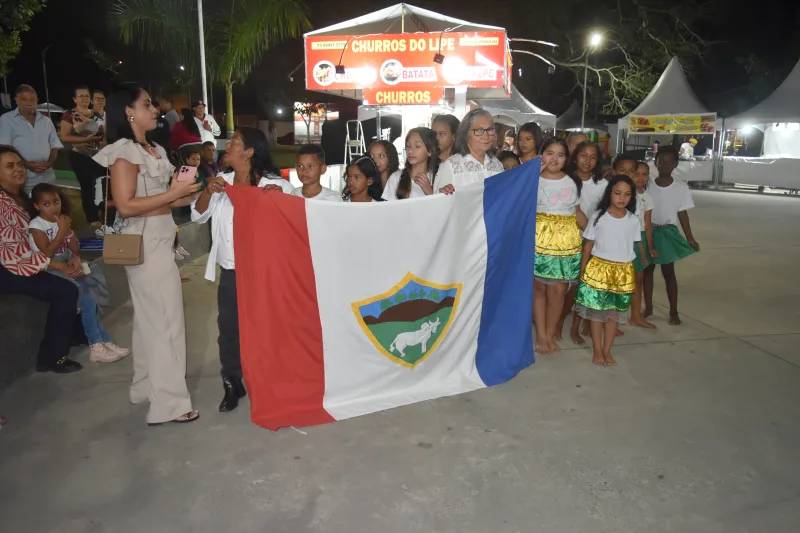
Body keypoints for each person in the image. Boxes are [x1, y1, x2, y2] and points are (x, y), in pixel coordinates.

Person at [94, 83, 201, 426]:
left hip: (160, 240)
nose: (154, 109)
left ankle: (144, 388)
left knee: (149, 323)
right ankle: (169, 404)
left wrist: (188, 191)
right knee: (165, 324)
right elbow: (126, 206)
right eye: (146, 104)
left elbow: (171, 199)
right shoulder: (125, 151)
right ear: (128, 111)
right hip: (144, 245)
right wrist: (173, 193)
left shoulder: (153, 148)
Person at [192, 126, 292, 412]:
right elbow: (198, 217)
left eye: (234, 141)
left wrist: (279, 202)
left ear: (248, 151)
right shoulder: (221, 183)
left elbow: (293, 222)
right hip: (231, 270)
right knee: (229, 329)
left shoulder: (276, 185)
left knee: (268, 326)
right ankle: (232, 382)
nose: (228, 145)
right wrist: (208, 193)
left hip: (263, 272)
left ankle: (271, 380)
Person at [0, 146, 81, 373]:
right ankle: (52, 357)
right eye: (9, 166)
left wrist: (73, 255)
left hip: (29, 259)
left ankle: (77, 333)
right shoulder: (2, 205)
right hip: (8, 268)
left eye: (19, 164)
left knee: (81, 280)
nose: (18, 169)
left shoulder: (22, 197)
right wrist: (58, 265)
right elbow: (15, 253)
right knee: (65, 291)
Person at [28, 183, 129, 363]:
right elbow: (46, 254)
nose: (53, 207)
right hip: (50, 267)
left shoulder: (62, 220)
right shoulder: (37, 225)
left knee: (93, 286)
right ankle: (96, 344)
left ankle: (104, 339)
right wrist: (61, 232)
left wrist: (72, 247)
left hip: (67, 261)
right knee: (86, 301)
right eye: (46, 204)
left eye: (56, 201)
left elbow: (75, 247)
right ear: (36, 206)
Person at [575, 175, 643, 366]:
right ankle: (597, 350)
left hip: (622, 273)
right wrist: (583, 271)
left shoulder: (632, 220)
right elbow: (588, 245)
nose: (622, 198)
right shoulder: (598, 217)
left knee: (613, 315)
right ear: (610, 194)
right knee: (597, 314)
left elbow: (632, 247)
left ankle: (607, 350)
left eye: (627, 194)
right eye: (618, 193)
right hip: (599, 270)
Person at [533, 138, 586, 355]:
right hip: (537, 240)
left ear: (567, 158)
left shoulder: (571, 181)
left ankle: (551, 330)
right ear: (541, 155)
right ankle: (541, 336)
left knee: (558, 290)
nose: (554, 159)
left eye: (560, 155)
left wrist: (595, 232)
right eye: (549, 153)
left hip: (565, 244)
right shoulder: (532, 179)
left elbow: (577, 212)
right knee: (538, 288)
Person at [644, 146, 699, 325]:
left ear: (675, 164)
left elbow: (682, 214)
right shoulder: (648, 186)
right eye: (662, 161)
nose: (665, 164)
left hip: (668, 233)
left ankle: (673, 310)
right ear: (655, 163)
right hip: (649, 231)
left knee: (669, 272)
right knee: (647, 271)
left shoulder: (681, 187)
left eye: (669, 161)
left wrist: (689, 237)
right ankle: (649, 307)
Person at [556, 140, 602, 345]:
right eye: (584, 155)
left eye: (593, 157)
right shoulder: (565, 180)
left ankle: (573, 324)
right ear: (575, 156)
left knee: (579, 285)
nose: (588, 161)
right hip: (564, 238)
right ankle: (557, 320)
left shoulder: (602, 185)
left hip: (589, 240)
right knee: (561, 284)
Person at [0, 85, 63, 195]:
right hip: (22, 177)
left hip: (47, 176)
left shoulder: (46, 121)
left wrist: (49, 163)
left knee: (46, 206)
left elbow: (54, 145)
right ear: (16, 100)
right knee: (25, 208)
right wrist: (26, 164)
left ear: (37, 101)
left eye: (33, 99)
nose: (29, 102)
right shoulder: (7, 119)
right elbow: (7, 148)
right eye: (24, 99)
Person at [60, 85, 105, 226]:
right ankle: (92, 218)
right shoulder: (69, 115)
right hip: (80, 157)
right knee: (87, 187)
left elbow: (104, 132)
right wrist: (84, 140)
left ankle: (104, 212)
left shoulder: (96, 114)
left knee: (102, 184)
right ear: (75, 99)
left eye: (87, 96)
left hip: (99, 156)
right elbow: (65, 137)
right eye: (81, 96)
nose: (85, 98)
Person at [436, 109, 504, 194]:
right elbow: (437, 202)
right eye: (479, 130)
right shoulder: (451, 166)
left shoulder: (497, 165)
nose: (486, 136)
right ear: (466, 133)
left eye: (490, 129)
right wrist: (442, 193)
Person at [630, 161, 657, 329]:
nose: (640, 178)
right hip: (625, 238)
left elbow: (648, 223)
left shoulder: (647, 196)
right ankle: (612, 318)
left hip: (639, 239)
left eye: (644, 174)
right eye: (637, 174)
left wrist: (650, 246)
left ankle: (635, 316)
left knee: (638, 279)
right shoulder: (624, 193)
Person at [382, 127, 439, 200]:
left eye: (417, 146)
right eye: (408, 146)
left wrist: (430, 192)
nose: (410, 151)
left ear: (430, 151)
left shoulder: (436, 178)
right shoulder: (396, 178)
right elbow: (389, 208)